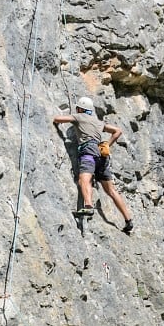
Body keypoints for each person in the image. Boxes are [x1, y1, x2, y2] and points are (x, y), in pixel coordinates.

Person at [53, 96, 133, 232]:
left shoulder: (79, 116)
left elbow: (57, 119)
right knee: (111, 190)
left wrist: (67, 118)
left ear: (80, 108)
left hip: (88, 152)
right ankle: (128, 220)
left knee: (84, 179)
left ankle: (89, 206)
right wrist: (108, 143)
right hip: (102, 155)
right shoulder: (97, 122)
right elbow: (117, 131)